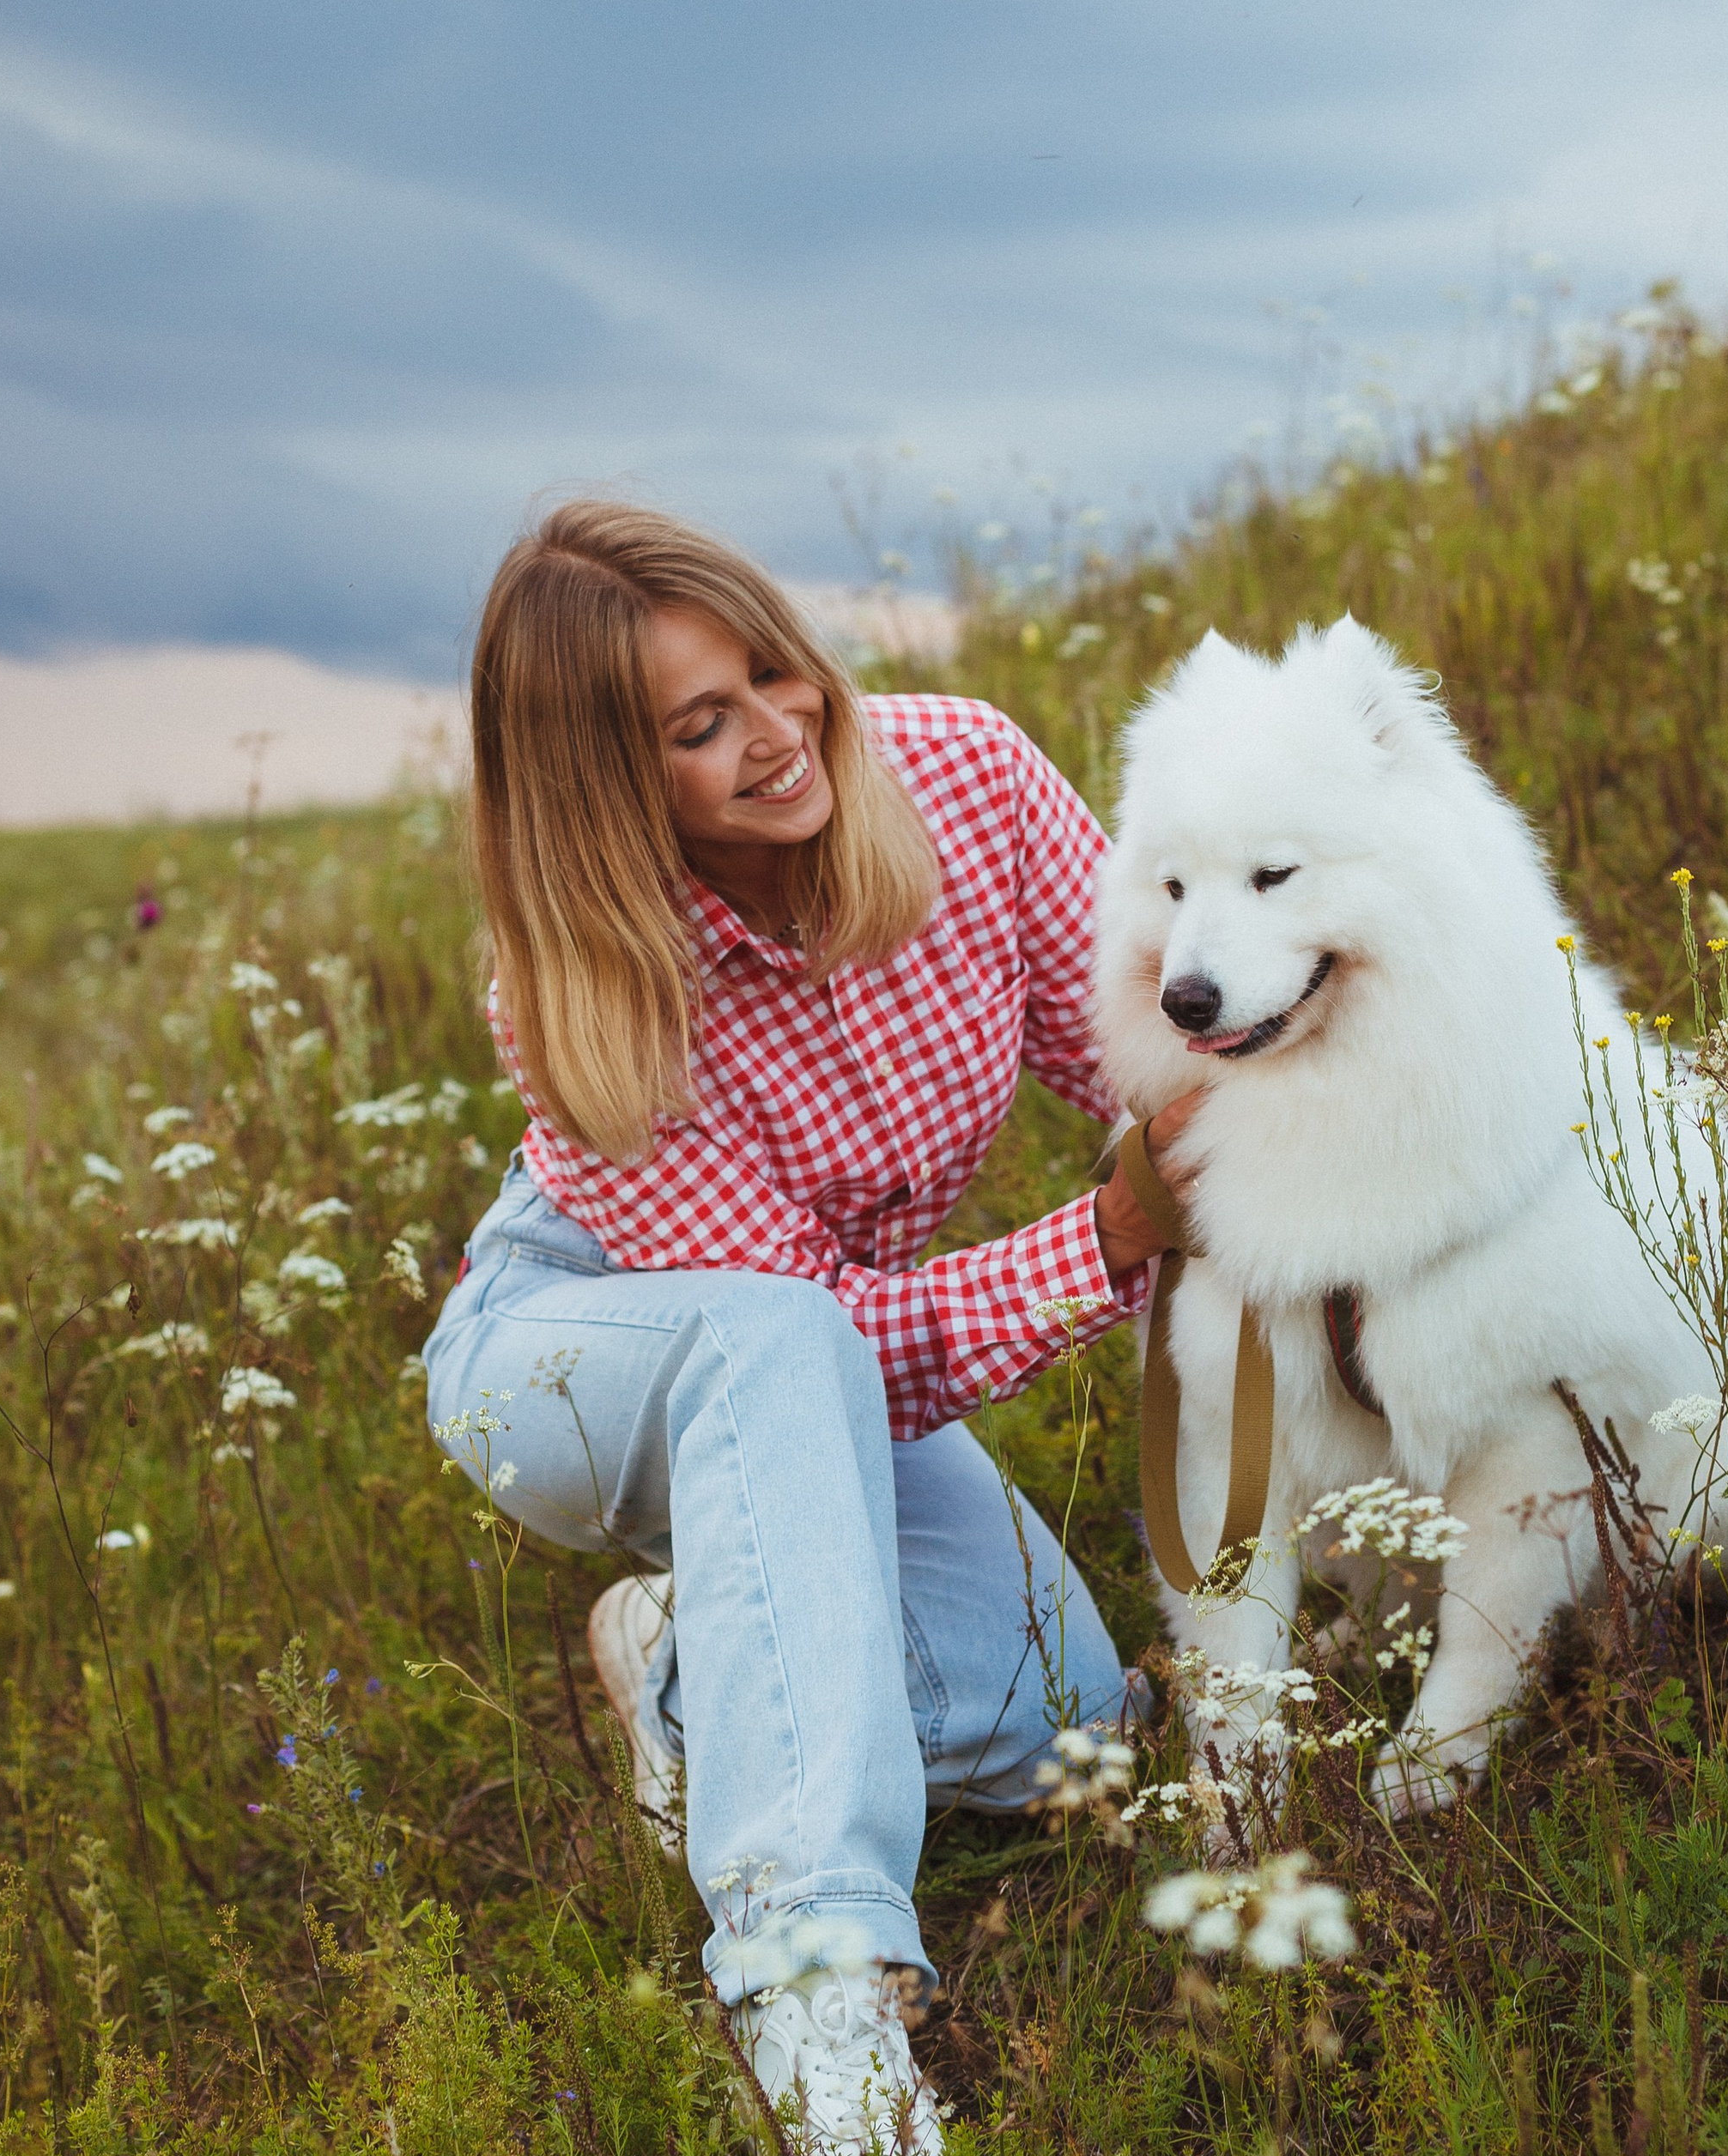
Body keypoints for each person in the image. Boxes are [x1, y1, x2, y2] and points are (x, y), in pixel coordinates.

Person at [423, 501, 1197, 2151]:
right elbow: (834, 1341)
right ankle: (820, 2006)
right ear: (610, 786)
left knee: (1063, 1725)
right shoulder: (582, 984)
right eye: (703, 728)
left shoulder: (966, 780)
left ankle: (689, 1674)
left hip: (811, 1367)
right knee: (776, 1336)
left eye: (776, 673)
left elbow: (1147, 1053)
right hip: (568, 1355)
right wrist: (1110, 1236)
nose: (779, 736)